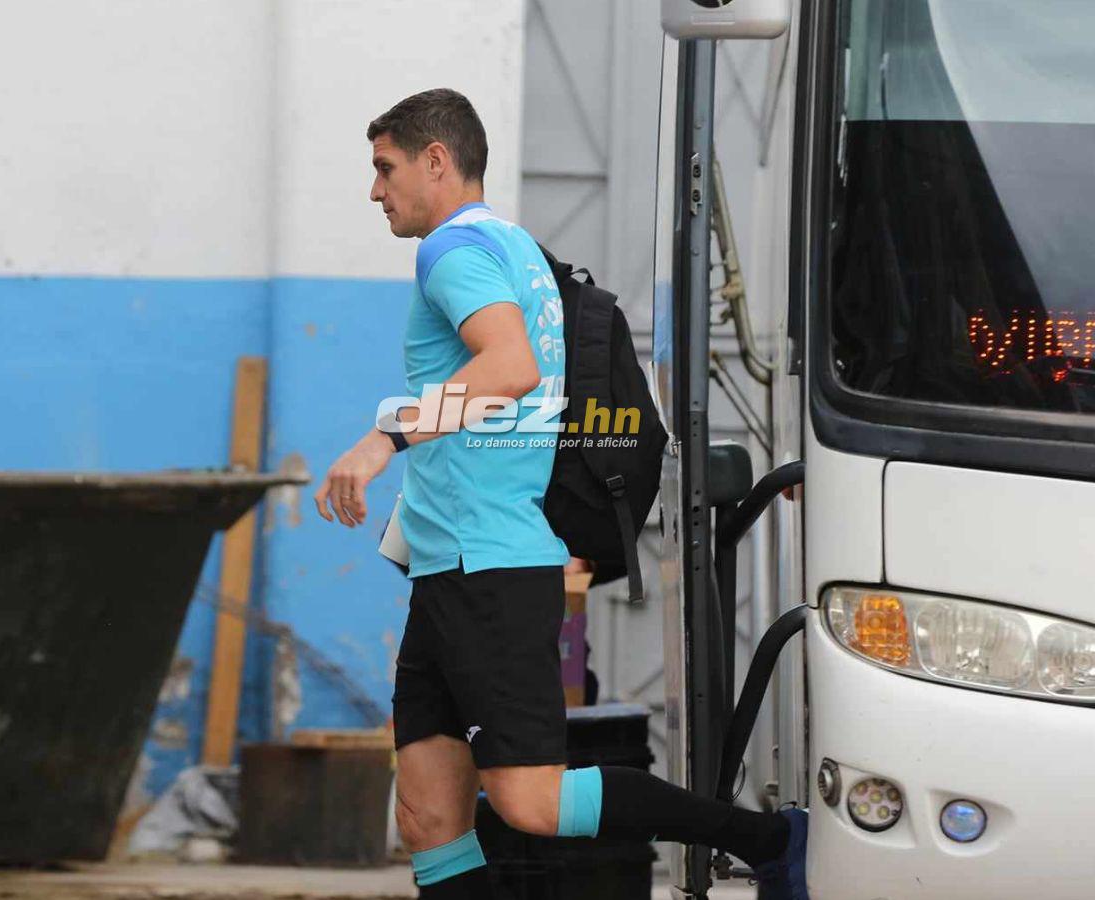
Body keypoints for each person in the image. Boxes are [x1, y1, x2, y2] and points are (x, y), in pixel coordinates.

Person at [313, 88, 808, 900]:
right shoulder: (520, 250)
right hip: (451, 568)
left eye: (384, 167)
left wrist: (383, 438)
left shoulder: (451, 251)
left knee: (530, 800)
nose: (375, 190)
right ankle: (764, 837)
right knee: (430, 815)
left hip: (491, 569)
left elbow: (510, 368)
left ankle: (767, 839)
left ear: (437, 160)